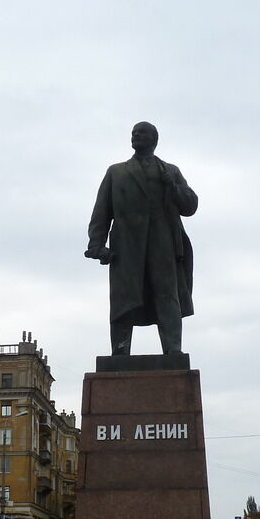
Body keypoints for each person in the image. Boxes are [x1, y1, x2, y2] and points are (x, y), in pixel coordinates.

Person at [85, 121, 199, 356]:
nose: (136, 135)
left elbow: (190, 206)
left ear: (154, 140)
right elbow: (102, 211)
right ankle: (120, 353)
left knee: (168, 297)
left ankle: (173, 352)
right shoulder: (116, 172)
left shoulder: (170, 171)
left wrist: (174, 187)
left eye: (142, 132)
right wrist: (96, 244)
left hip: (164, 244)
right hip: (126, 247)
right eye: (133, 133)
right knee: (123, 300)